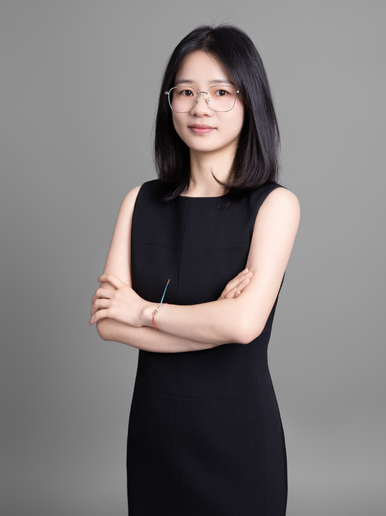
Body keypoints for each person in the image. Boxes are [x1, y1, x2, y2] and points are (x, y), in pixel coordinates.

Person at [89, 24, 300, 516]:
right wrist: (213, 323)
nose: (201, 107)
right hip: (154, 434)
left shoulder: (275, 205)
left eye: (221, 92)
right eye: (185, 92)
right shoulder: (139, 201)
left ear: (250, 103)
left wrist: (142, 312)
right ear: (170, 103)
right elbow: (107, 324)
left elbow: (243, 325)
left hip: (238, 437)